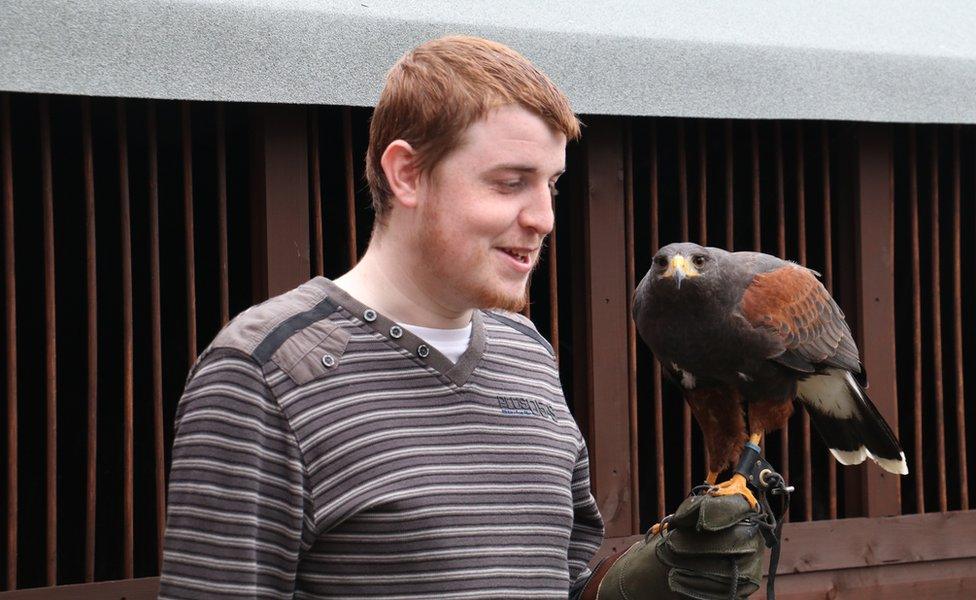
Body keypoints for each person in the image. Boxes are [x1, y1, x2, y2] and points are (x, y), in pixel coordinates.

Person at [158, 35, 764, 599]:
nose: (544, 218)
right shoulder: (262, 374)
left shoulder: (523, 349)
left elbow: (558, 583)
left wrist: (645, 582)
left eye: (551, 183)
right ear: (407, 174)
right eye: (510, 183)